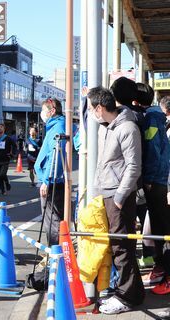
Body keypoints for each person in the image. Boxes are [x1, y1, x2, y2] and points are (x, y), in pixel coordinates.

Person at [87, 86, 145, 314]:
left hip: (119, 196)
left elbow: (134, 166)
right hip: (109, 194)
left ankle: (128, 297)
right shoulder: (109, 127)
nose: (90, 112)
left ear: (100, 108)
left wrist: (120, 197)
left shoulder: (127, 128)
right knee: (119, 245)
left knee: (122, 246)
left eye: (92, 108)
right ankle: (132, 291)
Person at [140, 90, 170, 294]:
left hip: (161, 184)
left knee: (163, 230)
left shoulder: (153, 120)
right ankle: (161, 270)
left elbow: (156, 153)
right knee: (157, 230)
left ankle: (167, 275)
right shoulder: (160, 121)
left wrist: (152, 180)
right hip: (162, 183)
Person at [35, 98, 66, 247]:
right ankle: (56, 254)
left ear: (52, 111)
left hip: (52, 181)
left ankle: (55, 256)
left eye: (44, 110)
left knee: (51, 219)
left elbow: (55, 155)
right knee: (53, 218)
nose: (42, 114)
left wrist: (47, 180)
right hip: (52, 179)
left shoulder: (57, 127)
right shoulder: (54, 126)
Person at [0, 124, 13, 195]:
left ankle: (7, 182)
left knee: (2, 174)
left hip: (5, 159)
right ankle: (2, 190)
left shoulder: (8, 138)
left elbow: (14, 146)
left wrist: (11, 153)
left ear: (4, 129)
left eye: (1, 127)